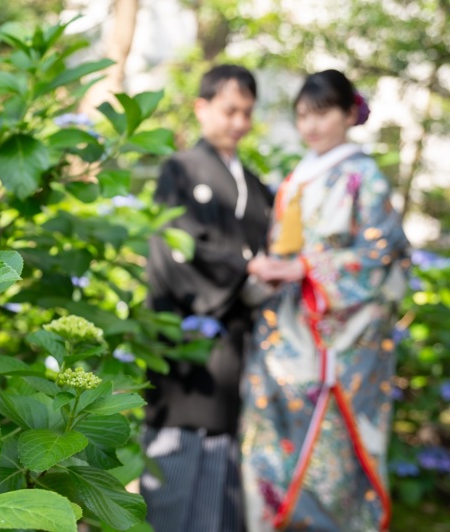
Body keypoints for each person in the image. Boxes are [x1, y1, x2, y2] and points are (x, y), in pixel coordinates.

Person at [240, 69, 409, 531]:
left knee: (329, 452)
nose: (311, 126)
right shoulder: (297, 176)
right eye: (302, 116)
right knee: (269, 441)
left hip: (336, 338)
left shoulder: (364, 176)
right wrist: (276, 272)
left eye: (322, 114)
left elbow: (382, 256)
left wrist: (306, 268)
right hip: (284, 326)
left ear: (350, 114)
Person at [142, 64, 274, 532]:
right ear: (202, 108)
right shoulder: (180, 169)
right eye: (229, 110)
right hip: (185, 338)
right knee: (175, 467)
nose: (239, 122)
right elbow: (172, 248)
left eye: (247, 113)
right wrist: (245, 269)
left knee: (223, 476)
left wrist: (261, 276)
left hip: (236, 343)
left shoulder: (255, 186)